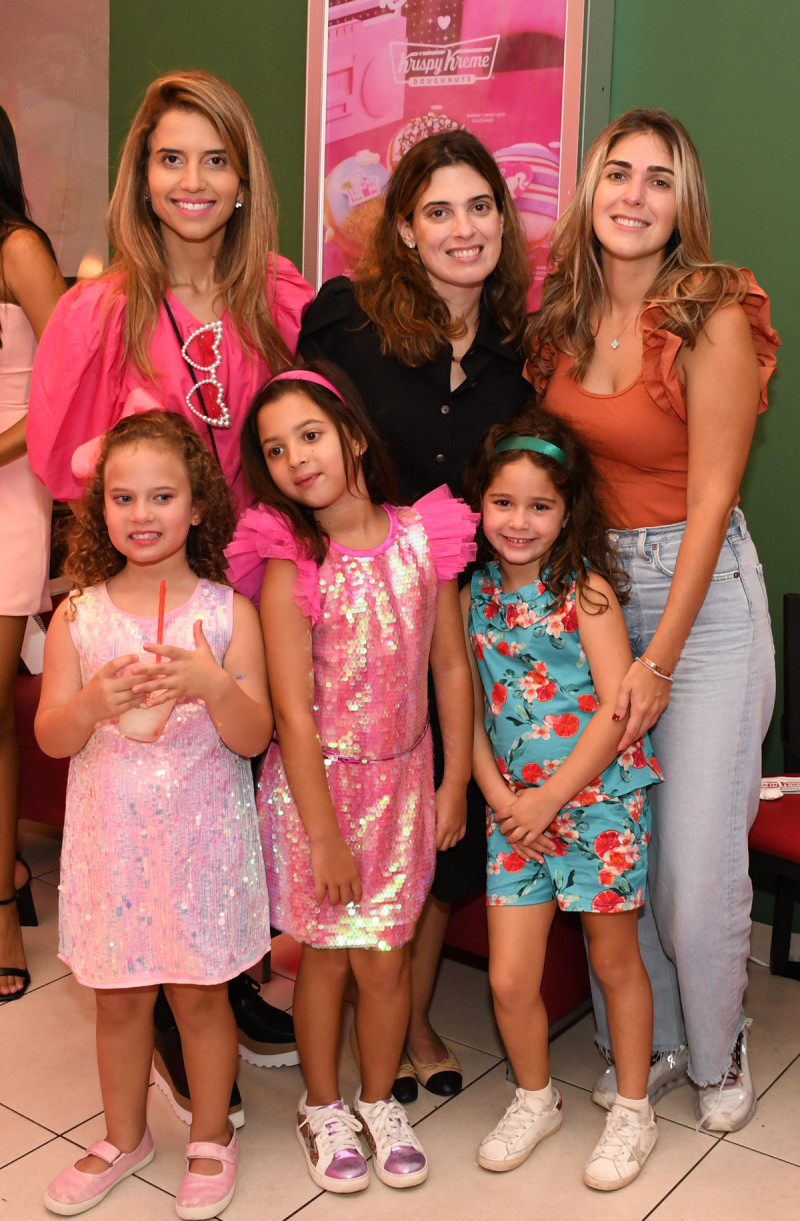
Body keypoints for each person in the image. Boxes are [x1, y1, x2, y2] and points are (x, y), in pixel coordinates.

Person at [27, 67, 311, 1107]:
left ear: (243, 178)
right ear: (142, 177)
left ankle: (219, 975)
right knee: (150, 809)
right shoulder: (97, 312)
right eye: (170, 157)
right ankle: (156, 1012)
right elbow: (69, 468)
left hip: (255, 597)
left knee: (228, 803)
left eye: (214, 158)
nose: (192, 179)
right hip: (152, 592)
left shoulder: (280, 295)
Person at [526, 108, 779, 1133]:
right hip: (592, 591)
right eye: (616, 174)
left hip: (699, 594)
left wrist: (657, 660)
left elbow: (713, 494)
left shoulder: (711, 311)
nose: (632, 196)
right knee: (614, 845)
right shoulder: (556, 320)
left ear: (682, 205)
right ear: (589, 192)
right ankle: (658, 1039)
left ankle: (719, 1046)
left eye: (657, 180)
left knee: (692, 863)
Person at [298, 128, 531, 1099]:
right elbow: (296, 447)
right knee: (348, 820)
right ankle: (342, 1006)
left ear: (502, 222)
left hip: (455, 631)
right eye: (437, 209)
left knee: (439, 830)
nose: (461, 227)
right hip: (348, 628)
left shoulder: (517, 355)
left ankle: (417, 1014)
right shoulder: (347, 319)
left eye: (479, 206)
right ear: (402, 226)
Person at [225, 363, 476, 1193]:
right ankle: (324, 1103)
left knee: (386, 960)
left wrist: (449, 786)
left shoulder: (423, 536)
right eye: (276, 449)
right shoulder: (294, 559)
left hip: (404, 785)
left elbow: (449, 668)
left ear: (353, 436)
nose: (297, 457)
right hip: (317, 794)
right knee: (325, 958)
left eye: (310, 434)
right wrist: (325, 832)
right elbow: (293, 713)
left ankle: (378, 1098)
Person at [35, 411, 272, 1218]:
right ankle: (125, 1133)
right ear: (99, 508)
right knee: (120, 997)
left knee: (201, 996)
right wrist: (94, 701)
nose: (142, 514)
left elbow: (254, 735)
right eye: (123, 497)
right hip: (113, 845)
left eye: (162, 495)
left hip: (203, 844)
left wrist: (212, 686)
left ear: (198, 505)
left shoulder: (228, 612)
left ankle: (212, 1133)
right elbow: (51, 735)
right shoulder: (79, 616)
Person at [462, 406, 664, 1190]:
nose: (519, 520)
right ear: (480, 503)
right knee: (510, 979)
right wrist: (503, 799)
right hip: (516, 814)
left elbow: (619, 710)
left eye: (539, 505)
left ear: (568, 509)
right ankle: (535, 1096)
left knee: (614, 961)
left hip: (599, 804)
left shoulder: (588, 592)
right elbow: (469, 713)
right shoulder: (471, 594)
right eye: (503, 502)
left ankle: (634, 1109)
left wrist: (549, 798)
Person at [0, 104, 67, 1002]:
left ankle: (4, 904)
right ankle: (12, 869)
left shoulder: (16, 247)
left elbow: (69, 383)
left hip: (9, 493)